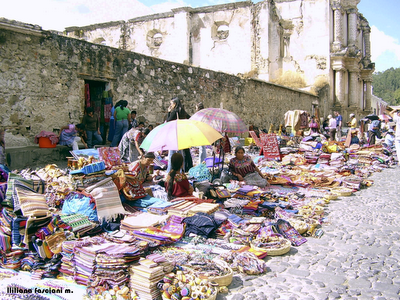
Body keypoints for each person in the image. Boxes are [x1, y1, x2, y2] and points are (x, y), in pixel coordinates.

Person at [166, 97, 191, 173]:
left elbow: (168, 121)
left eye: (171, 103)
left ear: (174, 104)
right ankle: (179, 171)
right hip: (182, 134)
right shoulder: (183, 111)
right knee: (180, 155)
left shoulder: (175, 112)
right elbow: (190, 118)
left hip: (175, 134)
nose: (170, 105)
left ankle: (170, 172)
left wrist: (169, 112)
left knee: (172, 154)